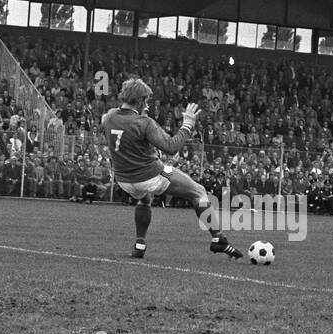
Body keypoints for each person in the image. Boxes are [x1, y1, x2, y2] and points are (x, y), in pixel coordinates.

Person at [100, 75, 244, 260]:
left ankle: (139, 245)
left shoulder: (110, 116)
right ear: (138, 100)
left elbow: (115, 130)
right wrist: (187, 124)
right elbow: (171, 147)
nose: (147, 105)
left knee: (144, 200)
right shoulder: (144, 123)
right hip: (149, 176)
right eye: (145, 100)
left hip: (124, 180)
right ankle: (219, 239)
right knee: (199, 192)